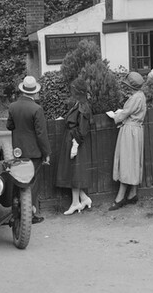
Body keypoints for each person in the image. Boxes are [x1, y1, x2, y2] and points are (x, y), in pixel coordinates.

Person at [6, 75, 51, 223]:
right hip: (34, 152)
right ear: (34, 92)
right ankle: (29, 214)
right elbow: (41, 134)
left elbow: (9, 126)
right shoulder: (37, 109)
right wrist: (46, 153)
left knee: (18, 180)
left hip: (18, 151)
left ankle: (16, 212)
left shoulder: (13, 107)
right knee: (32, 183)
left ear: (23, 90)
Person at [106, 71, 147, 210]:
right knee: (134, 160)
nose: (127, 88)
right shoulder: (141, 95)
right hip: (137, 130)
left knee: (126, 161)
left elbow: (125, 113)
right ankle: (132, 193)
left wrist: (115, 116)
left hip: (130, 131)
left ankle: (120, 197)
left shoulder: (135, 97)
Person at [54, 78, 94, 215]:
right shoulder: (79, 104)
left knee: (74, 173)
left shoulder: (83, 106)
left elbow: (83, 130)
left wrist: (75, 145)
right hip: (71, 139)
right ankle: (83, 199)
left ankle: (76, 203)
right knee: (72, 172)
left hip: (75, 141)